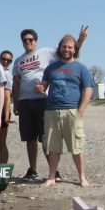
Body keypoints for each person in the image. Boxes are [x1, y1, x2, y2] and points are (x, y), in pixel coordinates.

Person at [12, 25, 88, 180]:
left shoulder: (46, 53)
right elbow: (16, 82)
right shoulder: (19, 61)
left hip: (43, 101)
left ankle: (54, 172)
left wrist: (80, 39)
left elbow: (68, 51)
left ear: (36, 41)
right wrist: (16, 103)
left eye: (30, 40)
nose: (28, 42)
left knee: (46, 137)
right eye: (25, 40)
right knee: (29, 138)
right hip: (25, 101)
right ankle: (32, 170)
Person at [35, 34, 94, 187]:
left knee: (76, 146)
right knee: (53, 147)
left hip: (72, 111)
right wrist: (40, 88)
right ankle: (51, 176)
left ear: (74, 50)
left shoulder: (81, 68)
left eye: (70, 47)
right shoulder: (51, 68)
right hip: (52, 111)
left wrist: (80, 111)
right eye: (64, 47)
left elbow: (88, 90)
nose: (66, 49)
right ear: (59, 48)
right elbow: (44, 86)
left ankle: (82, 177)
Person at [0, 50, 14, 164]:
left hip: (1, 111)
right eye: (4, 59)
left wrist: (6, 116)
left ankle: (3, 168)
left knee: (1, 142)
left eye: (8, 60)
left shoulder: (6, 74)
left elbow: (7, 97)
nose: (5, 62)